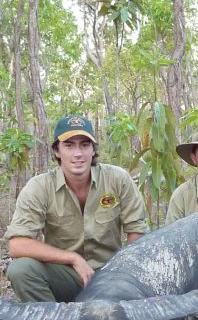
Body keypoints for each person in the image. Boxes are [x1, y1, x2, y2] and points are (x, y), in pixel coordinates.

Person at [5, 114, 148, 303]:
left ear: (93, 150)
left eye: (84, 145)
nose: (78, 153)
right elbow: (17, 245)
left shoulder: (117, 179)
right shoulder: (39, 186)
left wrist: (124, 275)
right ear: (57, 151)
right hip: (67, 276)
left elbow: (137, 232)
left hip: (112, 276)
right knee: (20, 270)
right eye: (69, 145)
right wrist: (73, 258)